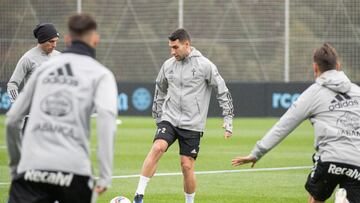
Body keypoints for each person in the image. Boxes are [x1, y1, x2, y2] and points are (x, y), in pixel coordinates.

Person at [6, 13, 118, 203]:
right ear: (96, 39)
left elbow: (11, 120)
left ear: (67, 39)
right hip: (73, 170)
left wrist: (17, 167)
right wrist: (105, 175)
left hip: (32, 169)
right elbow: (106, 120)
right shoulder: (102, 74)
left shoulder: (44, 69)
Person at [232, 43, 359, 203]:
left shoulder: (314, 93)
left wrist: (257, 153)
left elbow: (284, 125)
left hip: (330, 159)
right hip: (357, 161)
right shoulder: (357, 91)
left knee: (315, 198)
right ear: (338, 66)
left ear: (315, 68)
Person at [133, 28, 234, 203]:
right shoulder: (168, 65)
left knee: (186, 166)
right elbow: (160, 90)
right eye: (170, 48)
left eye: (176, 47)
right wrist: (159, 118)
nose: (172, 52)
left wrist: (228, 119)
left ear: (186, 44)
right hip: (169, 119)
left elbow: (222, 91)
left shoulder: (205, 66)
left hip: (193, 124)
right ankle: (139, 195)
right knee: (158, 147)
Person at [7, 23, 60, 103]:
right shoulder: (28, 58)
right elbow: (12, 84)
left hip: (54, 110)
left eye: (56, 41)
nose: (54, 45)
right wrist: (16, 104)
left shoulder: (60, 56)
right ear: (42, 40)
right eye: (51, 41)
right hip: (32, 111)